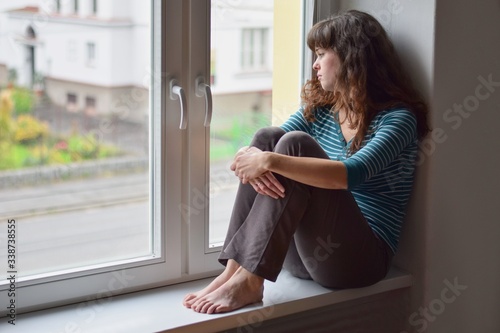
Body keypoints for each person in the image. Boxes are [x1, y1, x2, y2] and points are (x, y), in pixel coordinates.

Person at [183, 9, 429, 314]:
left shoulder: (397, 119)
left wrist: (267, 160)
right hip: (302, 255)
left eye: (323, 53)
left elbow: (349, 174)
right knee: (267, 137)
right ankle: (235, 271)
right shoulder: (321, 110)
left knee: (292, 146)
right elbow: (266, 149)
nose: (315, 64)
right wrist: (251, 156)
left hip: (357, 261)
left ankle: (250, 280)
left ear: (352, 57)